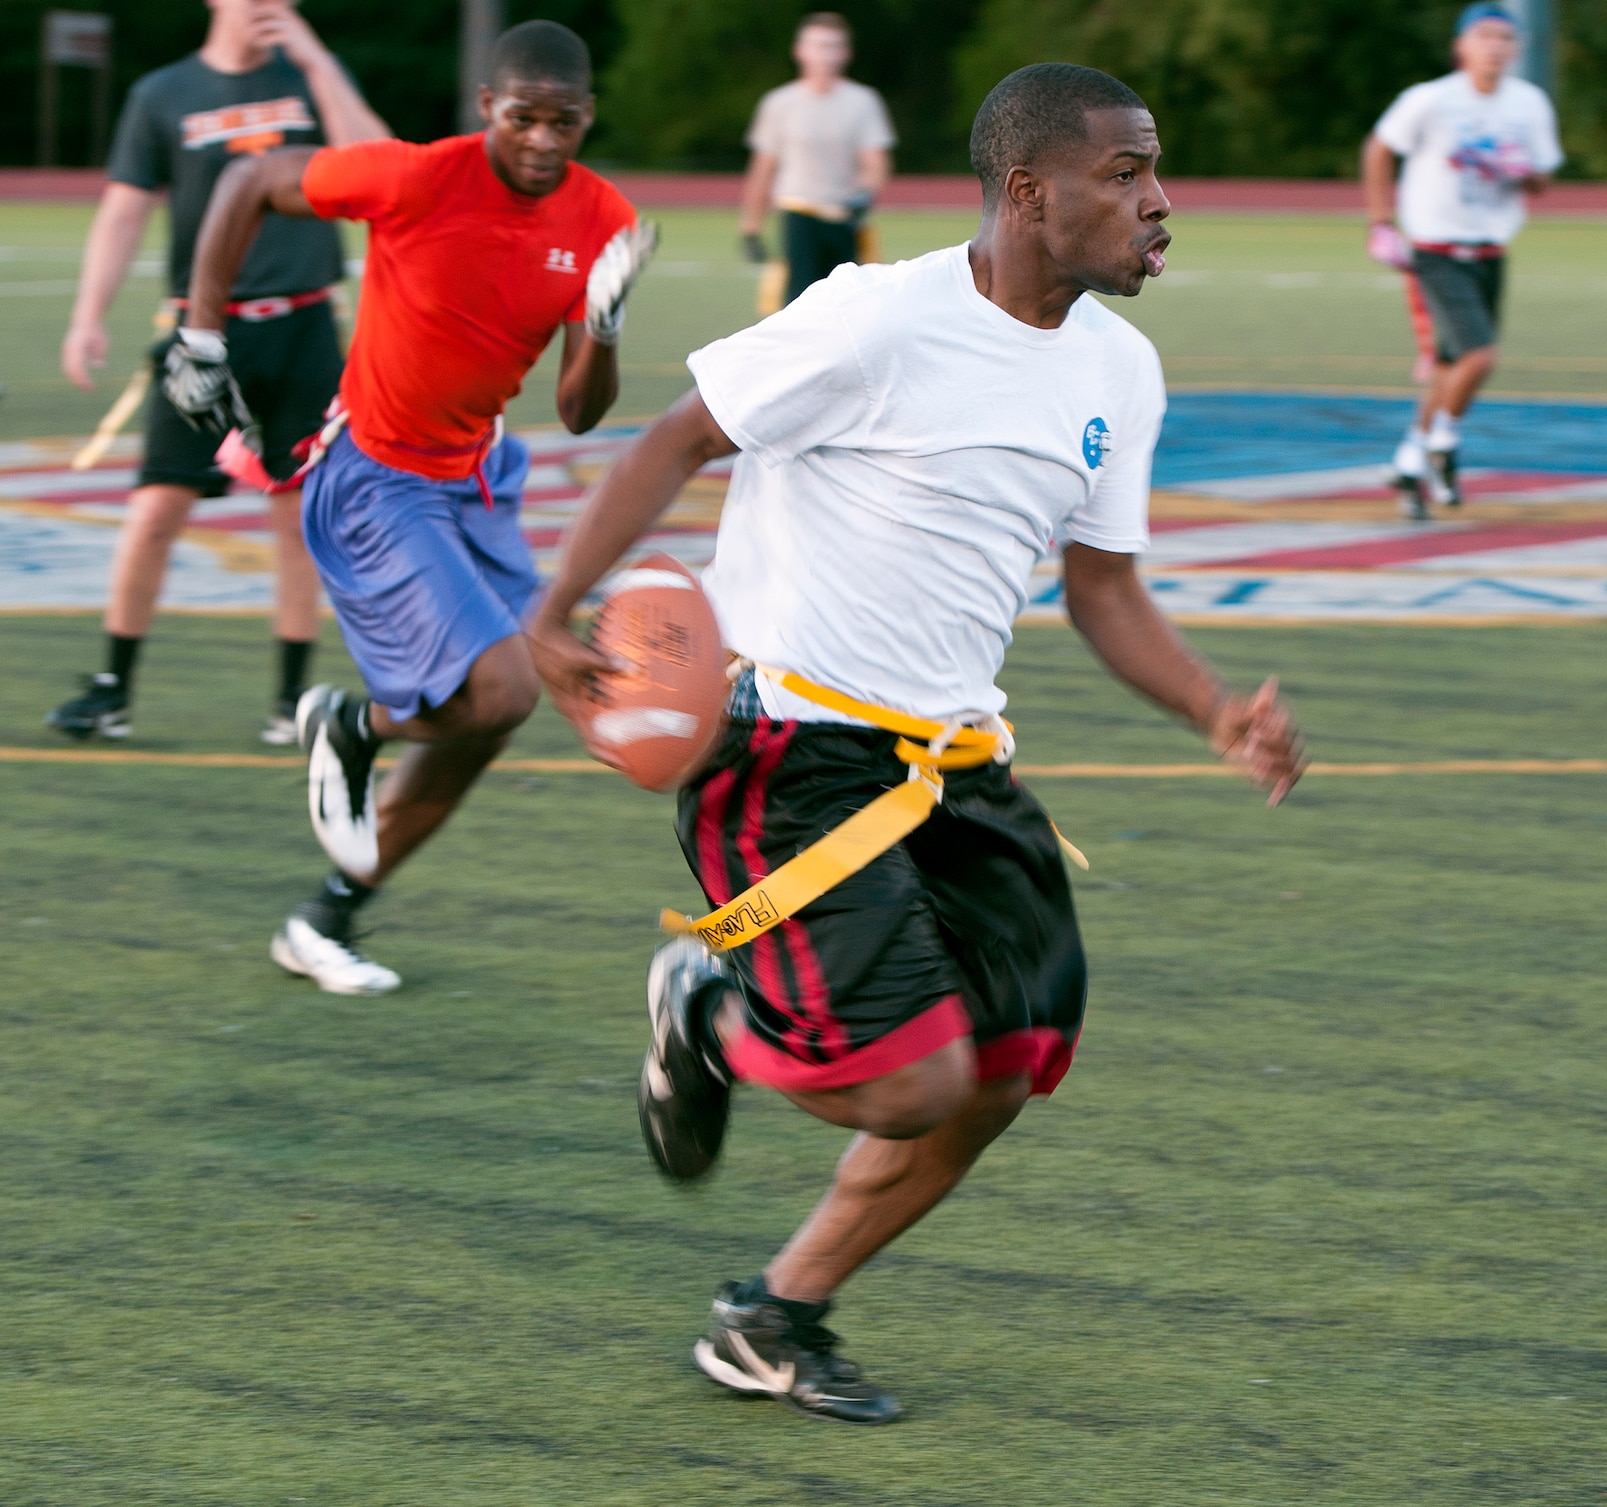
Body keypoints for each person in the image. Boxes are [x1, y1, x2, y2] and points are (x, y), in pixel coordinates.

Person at [529, 62, 1306, 1426]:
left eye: (1154, 171)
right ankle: (708, 1009)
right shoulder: (876, 317)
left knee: (1004, 1063)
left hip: (952, 762)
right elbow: (676, 437)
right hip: (790, 748)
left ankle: (772, 1315)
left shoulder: (1120, 367)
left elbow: (1103, 587)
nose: (1158, 201)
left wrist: (1215, 708)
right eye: (1125, 175)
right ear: (1029, 192)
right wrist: (551, 613)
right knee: (909, 1078)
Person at [165, 20, 652, 995]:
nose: (544, 140)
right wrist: (202, 334)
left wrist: (602, 325)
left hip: (475, 477)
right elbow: (249, 182)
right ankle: (351, 726)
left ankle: (323, 918)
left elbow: (575, 411)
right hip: (376, 477)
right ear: (487, 110)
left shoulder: (602, 218)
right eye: (524, 118)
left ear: (587, 117)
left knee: (487, 721)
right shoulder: (418, 176)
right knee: (504, 688)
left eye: (564, 123)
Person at [46, 0, 388, 745]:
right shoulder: (163, 94)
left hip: (302, 327)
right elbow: (123, 212)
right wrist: (87, 314)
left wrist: (317, 60)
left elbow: (379, 164)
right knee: (158, 507)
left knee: (298, 516)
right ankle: (112, 688)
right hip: (201, 331)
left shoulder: (310, 79)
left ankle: (288, 699)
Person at [1362, 2, 1562, 520]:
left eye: (1505, 37)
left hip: (1491, 248)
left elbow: (1542, 180)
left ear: (1516, 47)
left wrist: (1521, 171)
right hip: (1436, 248)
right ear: (1462, 46)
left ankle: (1410, 459)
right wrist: (1381, 221)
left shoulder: (1528, 104)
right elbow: (1379, 149)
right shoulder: (1431, 100)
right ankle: (1443, 444)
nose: (1495, 46)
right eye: (1485, 35)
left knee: (1452, 368)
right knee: (1481, 356)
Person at [738, 12, 895, 308]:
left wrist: (864, 194)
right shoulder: (780, 103)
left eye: (834, 46)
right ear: (800, 51)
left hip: (844, 217)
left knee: (848, 305)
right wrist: (751, 227)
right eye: (818, 45)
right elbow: (763, 169)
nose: (826, 54)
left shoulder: (862, 102)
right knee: (799, 304)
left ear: (846, 53)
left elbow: (875, 163)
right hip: (799, 212)